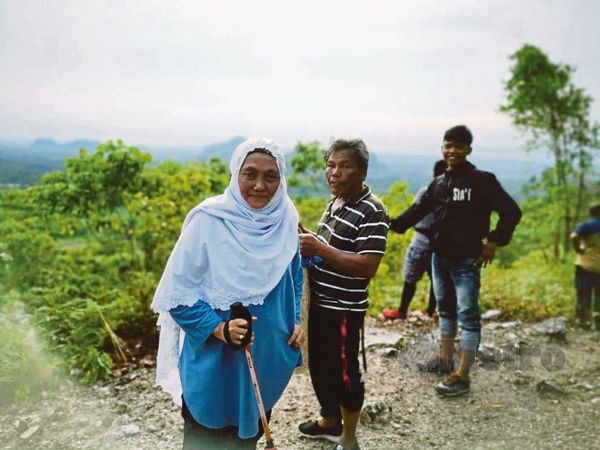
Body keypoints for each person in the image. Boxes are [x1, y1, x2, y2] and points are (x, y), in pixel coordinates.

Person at [151, 138, 304, 449]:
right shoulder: (209, 221)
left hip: (265, 360)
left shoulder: (285, 219)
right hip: (214, 361)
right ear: (236, 174)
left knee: (248, 438)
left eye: (270, 176)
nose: (260, 185)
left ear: (281, 178)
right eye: (250, 174)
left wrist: (296, 317)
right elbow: (175, 294)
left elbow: (295, 275)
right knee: (206, 439)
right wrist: (219, 328)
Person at [390, 125, 521, 396]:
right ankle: (445, 359)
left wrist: (494, 241)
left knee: (468, 315)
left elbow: (511, 212)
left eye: (458, 146)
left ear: (468, 150)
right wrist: (380, 219)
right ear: (442, 148)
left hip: (466, 260)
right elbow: (411, 216)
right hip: (440, 259)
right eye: (448, 146)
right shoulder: (439, 184)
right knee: (446, 311)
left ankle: (462, 376)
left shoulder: (482, 181)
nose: (452, 151)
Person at [298, 139, 388, 450]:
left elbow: (366, 266)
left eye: (345, 166)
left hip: (343, 308)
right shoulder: (336, 202)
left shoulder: (373, 210)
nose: (335, 172)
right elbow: (327, 247)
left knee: (346, 371)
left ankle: (349, 438)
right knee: (320, 365)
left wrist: (319, 247)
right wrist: (301, 233)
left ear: (362, 171)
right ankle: (329, 421)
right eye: (331, 165)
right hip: (319, 302)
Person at [381, 159, 446, 320]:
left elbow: (411, 215)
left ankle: (402, 310)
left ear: (434, 174)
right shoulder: (452, 194)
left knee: (411, 276)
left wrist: (387, 221)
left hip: (421, 240)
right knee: (436, 277)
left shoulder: (427, 191)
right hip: (442, 244)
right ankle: (431, 311)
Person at [570, 204, 600, 330]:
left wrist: (579, 249)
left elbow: (574, 236)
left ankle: (583, 321)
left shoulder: (586, 226)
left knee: (583, 292)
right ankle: (598, 323)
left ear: (591, 213)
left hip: (585, 265)